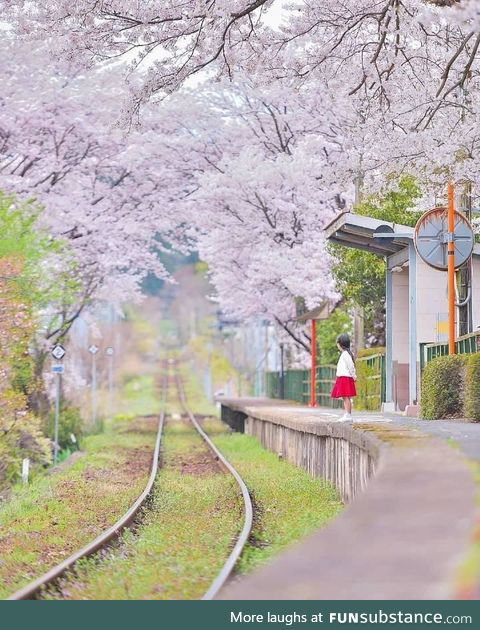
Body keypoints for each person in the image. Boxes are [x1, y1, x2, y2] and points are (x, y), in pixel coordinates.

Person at [331, 333, 356, 421]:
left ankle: (348, 415)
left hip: (345, 377)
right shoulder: (345, 354)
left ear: (340, 344)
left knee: (345, 397)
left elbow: (351, 366)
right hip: (343, 377)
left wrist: (354, 376)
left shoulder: (345, 354)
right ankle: (347, 414)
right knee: (345, 397)